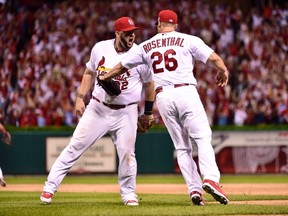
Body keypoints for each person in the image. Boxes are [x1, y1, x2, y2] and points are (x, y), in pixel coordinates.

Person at [99, 9, 230, 205]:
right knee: (202, 138)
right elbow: (214, 58)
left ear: (159, 24)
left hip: (164, 97)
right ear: (175, 25)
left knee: (182, 147)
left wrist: (104, 76)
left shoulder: (145, 46)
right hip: (186, 91)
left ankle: (194, 189)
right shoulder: (188, 39)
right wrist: (223, 70)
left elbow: (121, 66)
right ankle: (211, 178)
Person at [40, 16, 155, 206]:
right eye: (128, 33)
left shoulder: (140, 54)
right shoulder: (100, 48)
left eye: (133, 32)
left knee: (127, 153)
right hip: (98, 108)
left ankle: (128, 194)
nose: (132, 36)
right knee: (74, 147)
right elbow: (89, 73)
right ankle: (49, 187)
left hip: (126, 112)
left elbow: (150, 85)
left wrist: (148, 112)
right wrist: (79, 97)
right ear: (118, 33)